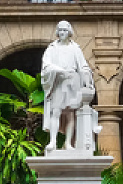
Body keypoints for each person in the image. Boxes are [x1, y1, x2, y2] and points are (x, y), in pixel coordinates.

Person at [40, 21, 93, 153]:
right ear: (57, 32)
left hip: (73, 82)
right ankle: (53, 141)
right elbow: (46, 66)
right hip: (58, 82)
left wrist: (86, 77)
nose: (62, 32)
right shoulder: (52, 48)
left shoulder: (75, 48)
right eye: (60, 30)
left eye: (65, 30)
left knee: (70, 114)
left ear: (69, 32)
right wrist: (59, 70)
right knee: (56, 111)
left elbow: (83, 65)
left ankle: (68, 143)